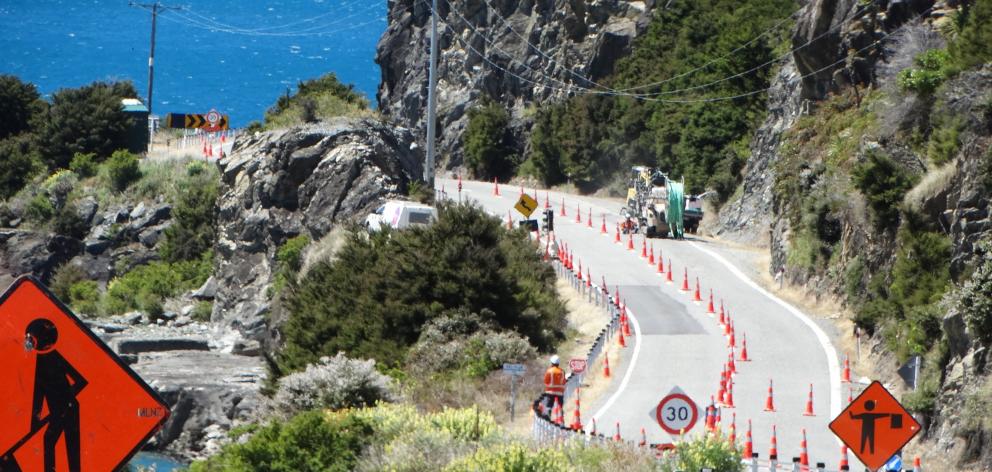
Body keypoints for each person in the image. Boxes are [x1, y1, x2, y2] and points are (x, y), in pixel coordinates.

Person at [26, 318, 87, 472]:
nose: (29, 343)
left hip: (70, 409)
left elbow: (80, 381)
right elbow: (38, 394)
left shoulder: (55, 357)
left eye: (32, 339)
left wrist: (66, 398)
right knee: (48, 440)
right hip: (58, 412)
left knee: (71, 446)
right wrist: (34, 422)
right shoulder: (39, 362)